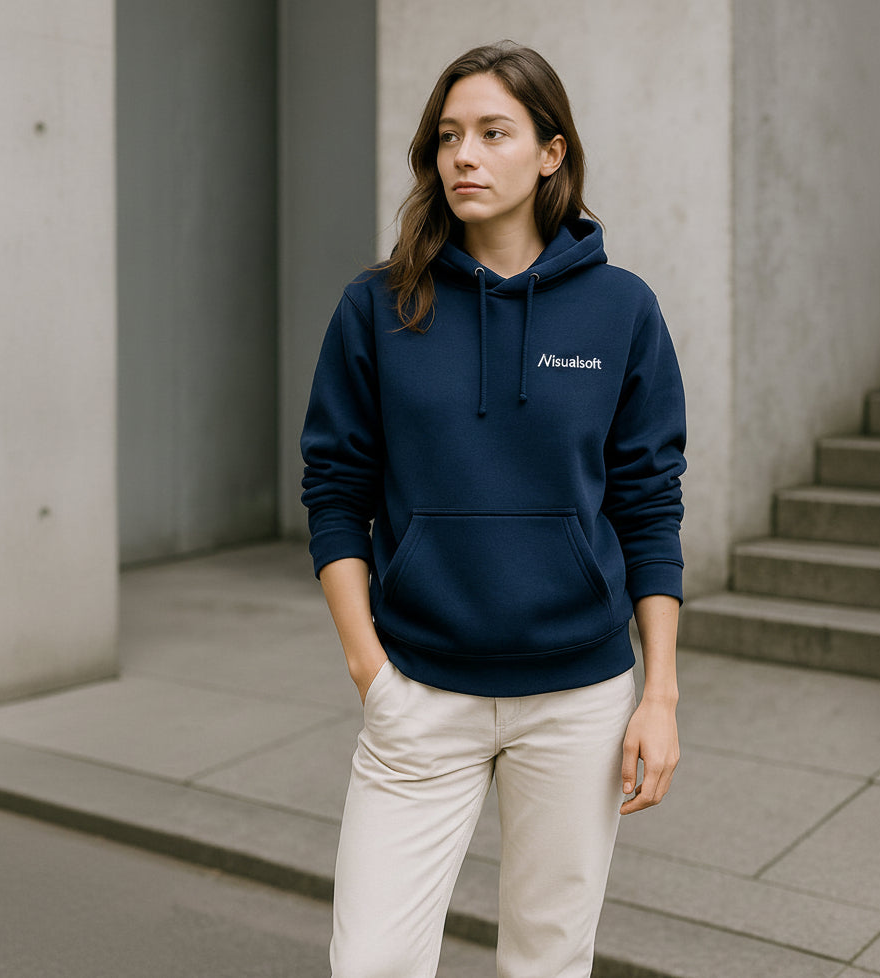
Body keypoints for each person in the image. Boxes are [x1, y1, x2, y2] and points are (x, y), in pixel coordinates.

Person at [300, 40, 686, 978]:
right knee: (372, 963)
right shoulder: (378, 308)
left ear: (552, 152)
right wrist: (370, 671)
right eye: (447, 137)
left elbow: (649, 504)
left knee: (548, 960)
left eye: (492, 133)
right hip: (421, 694)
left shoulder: (622, 311)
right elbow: (335, 492)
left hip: (579, 699)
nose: (463, 156)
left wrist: (660, 694)